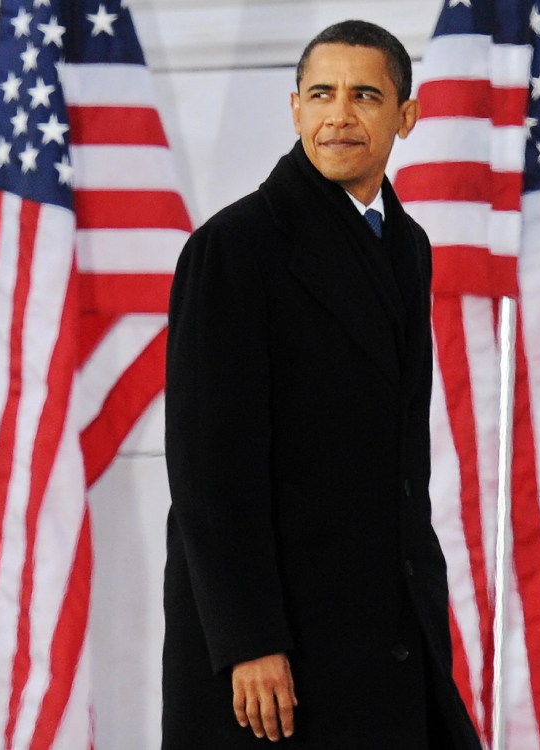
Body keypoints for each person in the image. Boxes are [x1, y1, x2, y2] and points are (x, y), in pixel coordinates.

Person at [162, 20, 483, 749]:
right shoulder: (235, 247)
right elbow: (210, 470)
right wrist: (248, 640)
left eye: (364, 95)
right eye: (321, 94)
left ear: (406, 115)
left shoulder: (407, 244)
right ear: (295, 108)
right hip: (279, 655)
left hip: (390, 632)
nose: (339, 114)